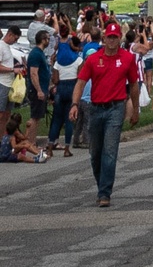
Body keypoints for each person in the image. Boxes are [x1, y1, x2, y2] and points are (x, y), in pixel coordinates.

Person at [70, 21, 140, 206]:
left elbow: (133, 85)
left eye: (115, 37)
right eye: (109, 37)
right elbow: (80, 82)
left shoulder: (127, 59)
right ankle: (102, 182)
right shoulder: (93, 59)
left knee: (110, 151)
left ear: (119, 39)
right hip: (95, 109)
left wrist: (135, 110)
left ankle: (104, 193)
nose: (111, 40)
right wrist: (75, 104)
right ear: (104, 38)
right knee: (95, 153)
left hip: (115, 108)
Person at [48, 24, 84, 156]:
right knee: (69, 119)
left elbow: (55, 80)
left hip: (61, 87)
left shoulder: (58, 61)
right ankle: (67, 149)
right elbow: (81, 78)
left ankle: (50, 146)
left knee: (56, 119)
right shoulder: (78, 60)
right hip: (72, 87)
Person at [25, 26, 52, 148]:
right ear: (43, 39)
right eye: (48, 38)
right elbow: (33, 73)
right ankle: (29, 142)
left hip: (43, 88)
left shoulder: (40, 53)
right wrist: (39, 90)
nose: (49, 40)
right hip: (37, 90)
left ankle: (32, 141)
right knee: (35, 117)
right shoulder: (35, 54)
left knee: (37, 117)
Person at [0, 25, 21, 117]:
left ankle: (4, 131)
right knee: (1, 113)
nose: (16, 41)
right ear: (10, 34)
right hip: (2, 83)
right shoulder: (1, 46)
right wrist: (12, 69)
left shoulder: (7, 47)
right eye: (15, 39)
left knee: (7, 113)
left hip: (10, 84)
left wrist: (15, 66)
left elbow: (5, 63)